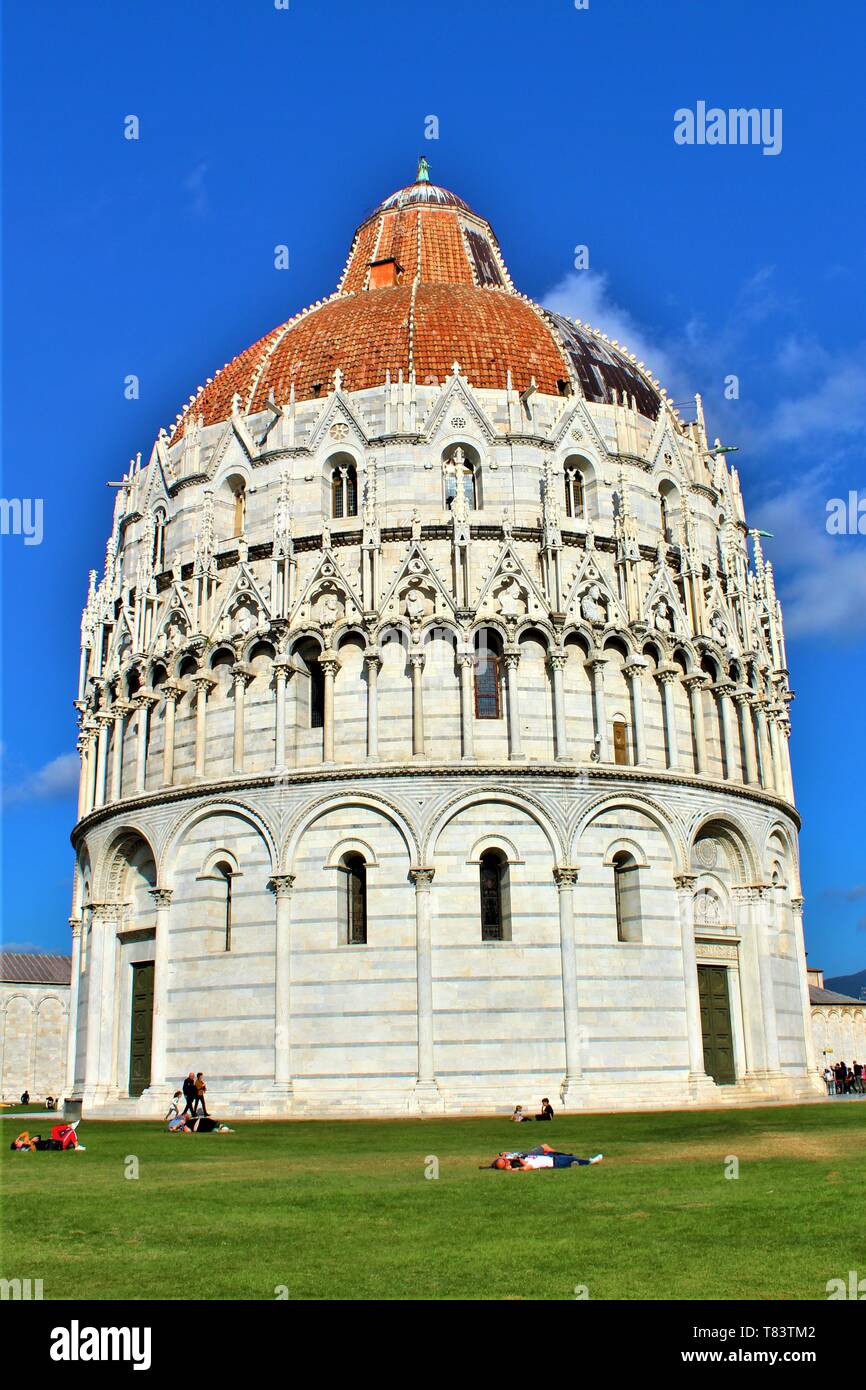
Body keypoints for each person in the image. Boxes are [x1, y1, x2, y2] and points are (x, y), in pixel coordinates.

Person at [491, 1144, 602, 1170]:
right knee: (571, 1159)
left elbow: (504, 1154)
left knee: (570, 1158)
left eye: (503, 1159)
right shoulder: (525, 1163)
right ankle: (589, 1161)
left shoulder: (512, 1157)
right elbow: (523, 1168)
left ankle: (583, 1161)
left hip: (549, 1158)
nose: (505, 1159)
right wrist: (519, 1163)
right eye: (504, 1162)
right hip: (553, 1162)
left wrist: (504, 1155)